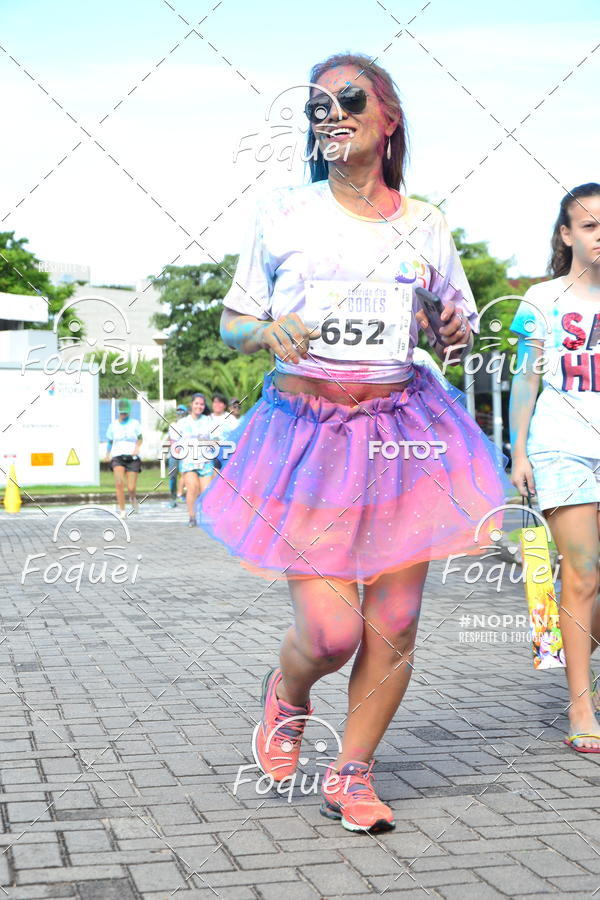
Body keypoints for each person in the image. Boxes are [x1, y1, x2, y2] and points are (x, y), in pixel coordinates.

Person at [197, 53, 508, 832]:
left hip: (406, 433)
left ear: (389, 116)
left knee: (395, 621)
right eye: (316, 107)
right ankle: (289, 693)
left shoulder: (426, 223)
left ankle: (353, 772)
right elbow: (232, 324)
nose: (329, 114)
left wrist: (457, 329)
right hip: (310, 435)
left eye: (348, 98)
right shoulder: (283, 214)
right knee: (332, 632)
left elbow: (459, 339)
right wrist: (264, 329)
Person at [509, 182, 600, 754]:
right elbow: (526, 377)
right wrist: (518, 451)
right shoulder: (540, 300)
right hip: (562, 448)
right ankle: (581, 706)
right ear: (566, 236)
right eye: (589, 225)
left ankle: (564, 641)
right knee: (583, 574)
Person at [179, 393, 215, 526]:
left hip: (205, 460)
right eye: (196, 403)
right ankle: (192, 517)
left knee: (205, 492)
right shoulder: (183, 422)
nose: (199, 406)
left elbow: (214, 439)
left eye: (201, 404)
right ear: (191, 404)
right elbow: (177, 442)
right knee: (192, 488)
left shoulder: (208, 420)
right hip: (189, 461)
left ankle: (201, 514)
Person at [105, 398, 143, 519]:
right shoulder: (113, 425)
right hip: (117, 458)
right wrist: (107, 453)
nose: (123, 415)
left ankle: (133, 498)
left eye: (125, 412)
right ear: (118, 411)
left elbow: (140, 438)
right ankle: (122, 510)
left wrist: (137, 447)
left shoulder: (135, 423)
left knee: (131, 487)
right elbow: (110, 441)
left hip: (132, 458)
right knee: (119, 483)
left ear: (129, 412)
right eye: (121, 412)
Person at [168, 404, 188, 507]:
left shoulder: (189, 424)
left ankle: (181, 494)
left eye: (182, 411)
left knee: (186, 473)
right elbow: (172, 440)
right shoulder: (173, 425)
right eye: (178, 411)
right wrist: (176, 449)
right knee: (173, 476)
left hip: (187, 453)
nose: (180, 413)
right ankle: (173, 498)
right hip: (174, 453)